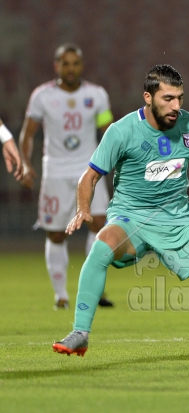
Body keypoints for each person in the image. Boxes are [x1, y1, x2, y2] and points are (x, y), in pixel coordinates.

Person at [52, 64, 189, 358]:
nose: (176, 106)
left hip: (177, 222)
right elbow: (89, 177)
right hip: (131, 219)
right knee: (101, 246)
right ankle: (80, 333)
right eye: (168, 99)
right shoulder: (122, 131)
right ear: (148, 97)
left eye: (179, 98)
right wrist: (83, 208)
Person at [19, 43, 114, 309]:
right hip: (56, 172)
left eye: (75, 63)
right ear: (57, 66)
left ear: (82, 66)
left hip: (90, 168)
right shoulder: (42, 96)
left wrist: (114, 159)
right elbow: (28, 133)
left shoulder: (97, 95)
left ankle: (94, 290)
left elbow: (108, 131)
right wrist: (25, 163)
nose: (70, 68)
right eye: (65, 63)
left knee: (99, 225)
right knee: (56, 234)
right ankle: (61, 295)